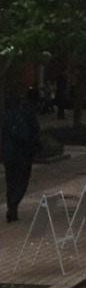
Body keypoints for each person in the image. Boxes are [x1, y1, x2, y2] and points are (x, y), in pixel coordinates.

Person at [2, 92, 40, 223]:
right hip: (23, 153)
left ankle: (12, 206)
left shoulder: (5, 115)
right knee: (22, 180)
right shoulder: (27, 112)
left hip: (9, 154)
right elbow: (35, 130)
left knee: (10, 181)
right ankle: (14, 205)